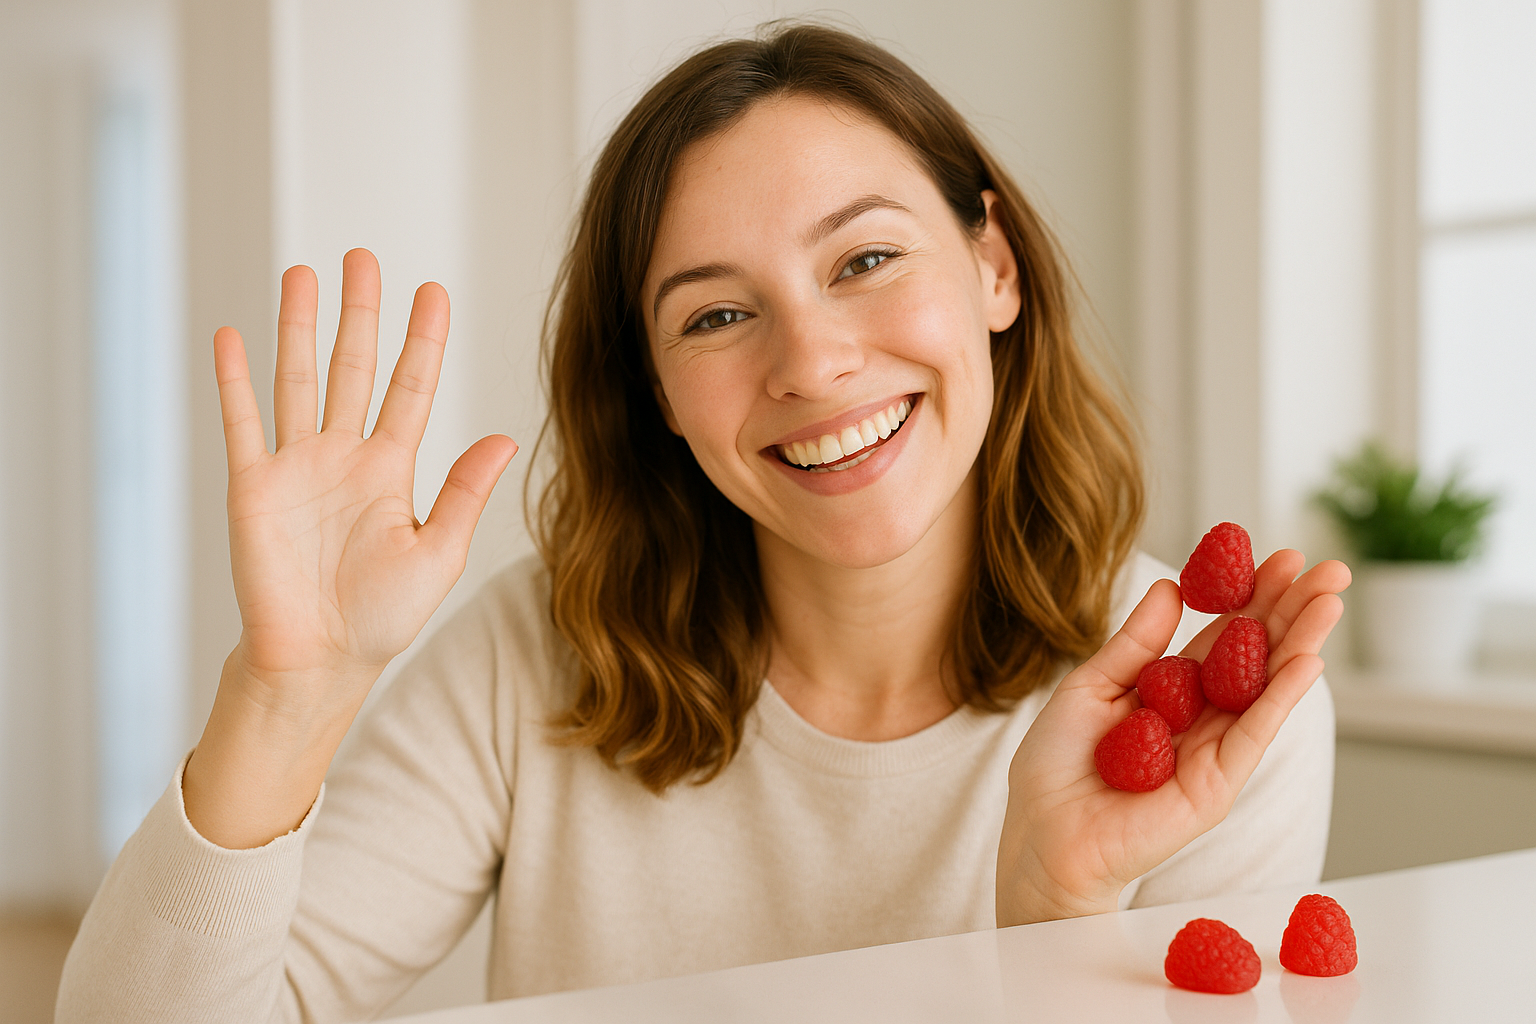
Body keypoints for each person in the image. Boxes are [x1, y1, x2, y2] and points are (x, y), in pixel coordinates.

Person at [57, 22, 1348, 1022]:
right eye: (717, 315)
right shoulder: (533, 664)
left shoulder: (1203, 718)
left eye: (864, 260)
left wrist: (1055, 910)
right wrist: (283, 697)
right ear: (659, 394)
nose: (813, 361)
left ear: (994, 268)